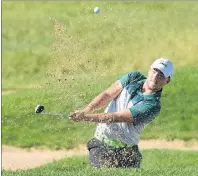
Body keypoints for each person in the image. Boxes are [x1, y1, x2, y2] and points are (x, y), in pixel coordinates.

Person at [70, 58, 174, 168]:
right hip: (101, 144)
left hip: (127, 153)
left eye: (161, 75)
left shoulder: (153, 105)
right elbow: (107, 95)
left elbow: (117, 117)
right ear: (149, 70)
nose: (155, 76)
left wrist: (85, 117)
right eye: (154, 71)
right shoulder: (133, 77)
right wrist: (86, 110)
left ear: (167, 81)